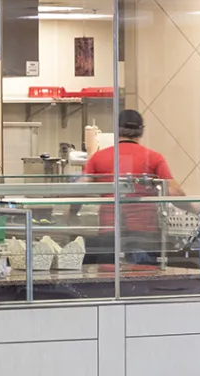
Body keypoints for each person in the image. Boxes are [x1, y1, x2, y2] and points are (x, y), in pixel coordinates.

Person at [79, 109, 185, 264]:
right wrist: (198, 210)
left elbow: (79, 189)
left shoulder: (98, 157)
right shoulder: (153, 158)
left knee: (107, 282)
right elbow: (175, 193)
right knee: (142, 282)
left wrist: (70, 214)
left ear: (116, 129)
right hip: (144, 234)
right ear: (141, 131)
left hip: (109, 233)